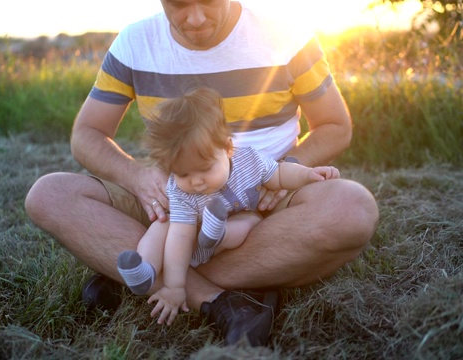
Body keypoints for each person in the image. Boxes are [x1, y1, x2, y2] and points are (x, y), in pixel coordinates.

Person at [24, 0, 379, 347]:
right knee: (48, 195)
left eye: (208, 2)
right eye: (178, 4)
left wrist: (290, 168)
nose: (194, 18)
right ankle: (220, 294)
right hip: (171, 202)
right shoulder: (134, 42)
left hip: (266, 202)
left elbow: (335, 125)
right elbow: (86, 135)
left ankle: (151, 277)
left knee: (353, 209)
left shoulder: (287, 35)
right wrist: (136, 177)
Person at [116, 87, 341, 327]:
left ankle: (218, 232)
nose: (196, 181)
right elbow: (180, 237)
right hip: (189, 245)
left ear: (228, 148)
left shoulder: (249, 161)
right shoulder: (179, 190)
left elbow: (280, 175)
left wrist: (308, 175)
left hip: (229, 243)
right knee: (162, 226)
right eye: (183, 173)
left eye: (205, 169)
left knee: (249, 221)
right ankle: (145, 270)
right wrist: (174, 286)